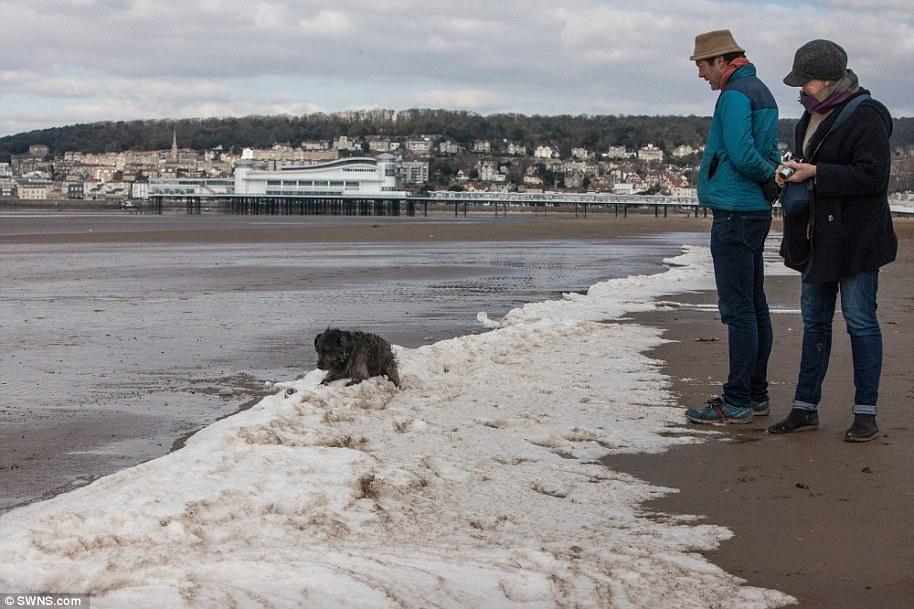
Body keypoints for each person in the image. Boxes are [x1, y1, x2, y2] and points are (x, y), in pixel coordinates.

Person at [768, 39, 896, 442]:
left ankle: (865, 415)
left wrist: (817, 173)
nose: (799, 89)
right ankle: (804, 408)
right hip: (816, 239)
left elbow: (873, 177)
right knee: (815, 324)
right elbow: (811, 166)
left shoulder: (869, 115)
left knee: (860, 323)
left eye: (804, 82)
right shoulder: (808, 118)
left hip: (858, 240)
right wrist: (791, 173)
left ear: (827, 80)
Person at [685, 30, 781, 425]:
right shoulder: (762, 91)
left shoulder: (736, 94)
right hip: (751, 210)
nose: (700, 74)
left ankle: (738, 399)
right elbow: (766, 152)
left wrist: (768, 176)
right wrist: (770, 177)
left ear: (722, 61)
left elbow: (743, 154)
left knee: (739, 310)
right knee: (754, 305)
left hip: (736, 211)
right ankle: (755, 395)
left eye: (702, 65)